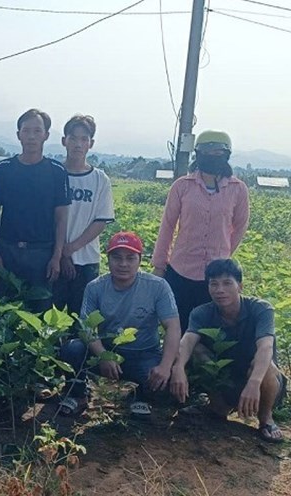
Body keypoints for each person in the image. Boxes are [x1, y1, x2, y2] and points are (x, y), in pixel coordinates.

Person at [58, 232, 181, 417]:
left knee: (163, 381)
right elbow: (86, 327)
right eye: (117, 257)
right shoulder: (95, 287)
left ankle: (140, 395)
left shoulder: (158, 287)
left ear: (140, 260)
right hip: (108, 351)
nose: (123, 264)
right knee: (72, 349)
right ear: (108, 259)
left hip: (143, 355)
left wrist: (164, 366)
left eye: (130, 258)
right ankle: (78, 394)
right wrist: (104, 355)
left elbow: (173, 326)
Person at [170, 259, 286, 443]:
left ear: (240, 285)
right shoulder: (201, 313)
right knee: (197, 351)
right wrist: (178, 369)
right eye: (213, 284)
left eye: (227, 283)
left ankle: (266, 418)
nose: (220, 290)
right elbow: (188, 341)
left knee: (264, 363)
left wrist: (254, 383)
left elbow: (266, 347)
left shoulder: (260, 309)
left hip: (261, 381)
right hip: (227, 377)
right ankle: (218, 406)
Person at [153, 130, 250, 332]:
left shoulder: (238, 189)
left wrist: (224, 253)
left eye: (218, 151)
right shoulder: (182, 186)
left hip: (215, 277)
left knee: (210, 330)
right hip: (181, 270)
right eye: (207, 151)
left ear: (227, 155)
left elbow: (240, 225)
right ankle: (176, 363)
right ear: (198, 154)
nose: (213, 155)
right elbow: (168, 226)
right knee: (177, 327)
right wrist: (159, 265)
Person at [0, 109, 70, 311]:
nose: (31, 136)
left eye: (37, 131)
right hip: (7, 250)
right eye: (26, 131)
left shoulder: (57, 172)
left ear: (46, 135)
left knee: (39, 312)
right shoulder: (4, 169)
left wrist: (56, 256)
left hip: (41, 252)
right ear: (18, 134)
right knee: (3, 312)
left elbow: (61, 219)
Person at [53, 115, 114, 317]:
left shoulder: (99, 179)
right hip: (52, 258)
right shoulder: (53, 174)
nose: (78, 144)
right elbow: (46, 217)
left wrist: (70, 249)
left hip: (86, 260)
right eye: (73, 138)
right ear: (64, 141)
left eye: (83, 139)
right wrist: (61, 253)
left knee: (82, 319)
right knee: (50, 319)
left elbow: (100, 220)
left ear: (91, 143)